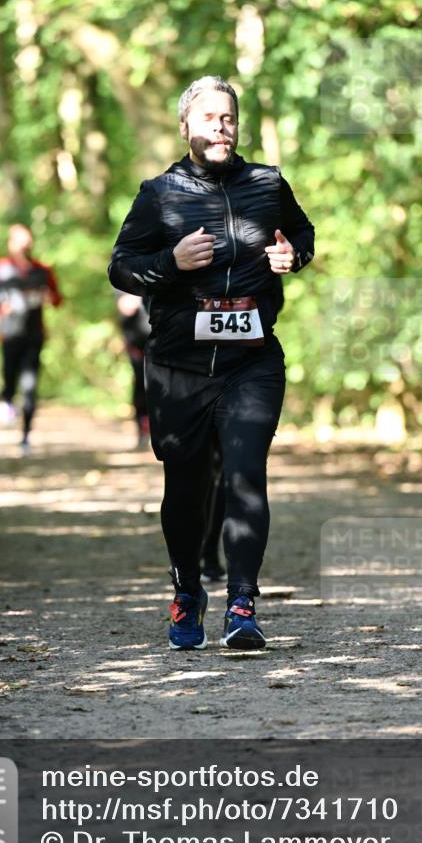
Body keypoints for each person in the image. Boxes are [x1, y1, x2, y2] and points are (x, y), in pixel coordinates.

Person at [109, 75, 314, 651]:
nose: (220, 128)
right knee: (187, 482)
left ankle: (243, 604)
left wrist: (291, 254)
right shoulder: (159, 193)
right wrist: (170, 263)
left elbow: (301, 232)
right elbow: (122, 267)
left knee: (246, 473)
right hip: (180, 364)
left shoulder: (268, 184)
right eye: (209, 119)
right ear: (186, 127)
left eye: (228, 119)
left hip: (252, 360)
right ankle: (187, 593)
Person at [0, 224, 61, 453]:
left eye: (27, 243)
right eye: (19, 243)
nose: (23, 248)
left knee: (30, 385)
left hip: (35, 336)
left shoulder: (42, 271)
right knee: (9, 379)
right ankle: (5, 401)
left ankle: (26, 435)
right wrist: (0, 310)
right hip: (9, 334)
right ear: (10, 244)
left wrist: (49, 297)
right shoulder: (1, 268)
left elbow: (57, 299)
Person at [115, 291, 151, 449]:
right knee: (141, 385)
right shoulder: (128, 271)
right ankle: (143, 429)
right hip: (137, 344)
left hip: (163, 341)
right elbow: (125, 306)